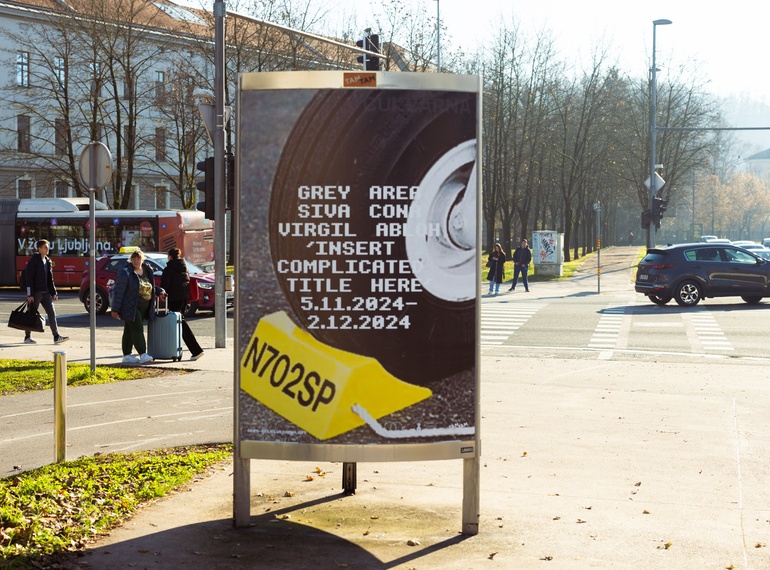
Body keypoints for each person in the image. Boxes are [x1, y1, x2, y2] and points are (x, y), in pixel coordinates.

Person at [110, 249, 165, 365]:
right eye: (134, 258)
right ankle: (143, 354)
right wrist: (115, 309)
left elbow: (150, 286)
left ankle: (127, 355)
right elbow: (119, 292)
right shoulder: (125, 273)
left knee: (129, 329)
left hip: (144, 305)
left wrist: (159, 291)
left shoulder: (147, 270)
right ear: (131, 260)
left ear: (142, 259)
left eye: (138, 258)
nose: (136, 261)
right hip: (130, 306)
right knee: (137, 328)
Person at [161, 247, 204, 361]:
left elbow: (165, 285)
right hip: (183, 299)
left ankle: (196, 350)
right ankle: (188, 350)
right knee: (180, 323)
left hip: (173, 300)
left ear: (170, 257)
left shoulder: (169, 269)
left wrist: (161, 292)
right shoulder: (184, 268)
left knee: (180, 324)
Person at [22, 239, 69, 344]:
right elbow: (29, 278)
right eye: (45, 247)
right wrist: (30, 294)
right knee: (31, 314)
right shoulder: (33, 261)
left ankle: (56, 336)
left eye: (48, 247)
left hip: (46, 293)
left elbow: (50, 279)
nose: (48, 249)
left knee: (51, 313)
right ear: (39, 249)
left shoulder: (48, 261)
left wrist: (54, 292)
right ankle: (27, 337)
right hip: (36, 293)